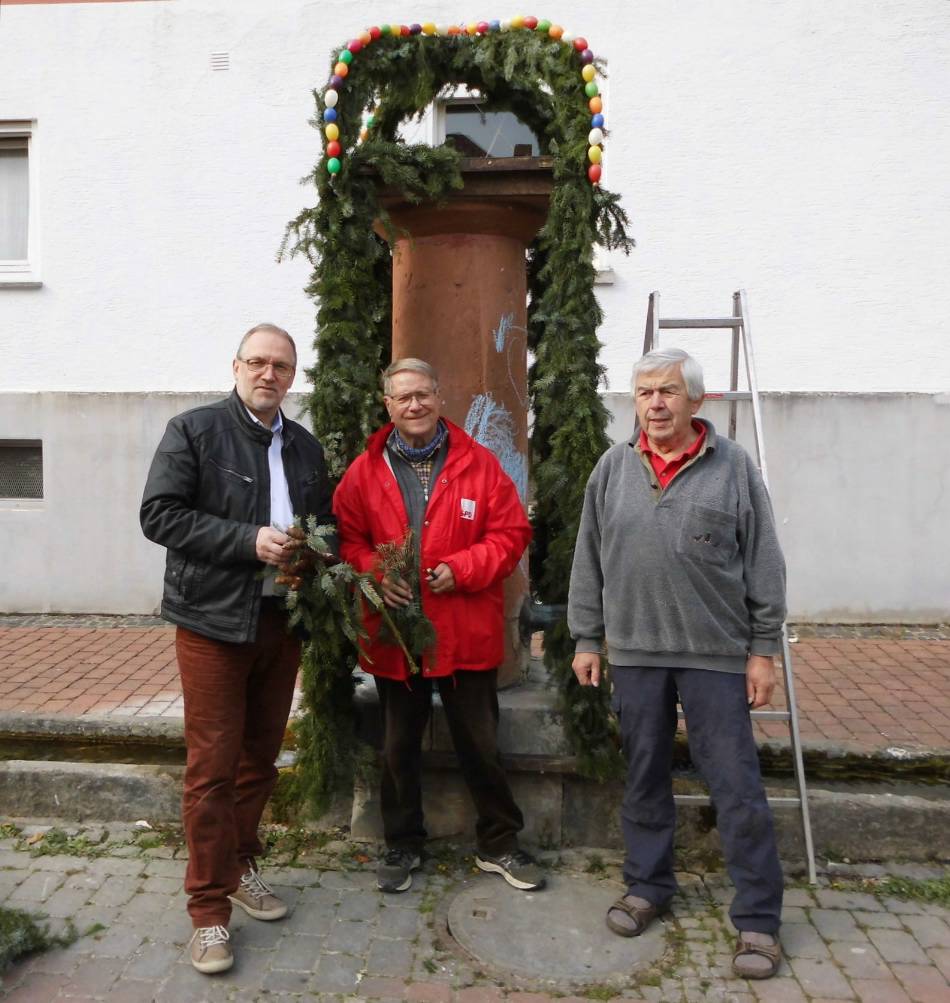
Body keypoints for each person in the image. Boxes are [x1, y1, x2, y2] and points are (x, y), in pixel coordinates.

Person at [568, 347, 786, 980]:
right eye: (644, 393)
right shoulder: (612, 467)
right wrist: (587, 638)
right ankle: (647, 886)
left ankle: (757, 921)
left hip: (716, 656)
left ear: (696, 400)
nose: (655, 404)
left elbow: (765, 563)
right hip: (635, 654)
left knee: (736, 788)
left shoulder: (733, 468)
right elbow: (589, 558)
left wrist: (763, 650)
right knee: (642, 776)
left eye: (667, 392)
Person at [140, 323, 334, 974]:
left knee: (259, 760)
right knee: (212, 768)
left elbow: (324, 524)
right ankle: (208, 910)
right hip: (213, 623)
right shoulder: (194, 431)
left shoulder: (305, 448)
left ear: (292, 375)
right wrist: (247, 540)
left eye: (281, 365)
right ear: (236, 366)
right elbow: (159, 514)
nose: (268, 373)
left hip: (281, 622)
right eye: (258, 361)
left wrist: (314, 555)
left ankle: (240, 864)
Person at [333, 358, 545, 895]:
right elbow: (347, 538)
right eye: (403, 397)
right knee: (397, 745)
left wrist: (464, 569)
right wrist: (378, 574)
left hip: (464, 628)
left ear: (439, 396)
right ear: (388, 405)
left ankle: (499, 844)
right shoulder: (366, 470)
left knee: (481, 743)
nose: (414, 405)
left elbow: (512, 532)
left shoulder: (478, 464)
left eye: (423, 394)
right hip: (397, 633)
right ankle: (402, 843)